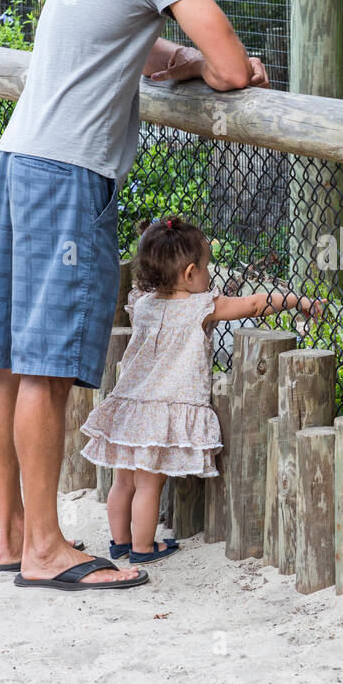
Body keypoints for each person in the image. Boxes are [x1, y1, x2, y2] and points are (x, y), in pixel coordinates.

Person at [0, 0, 269, 591]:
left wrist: (183, 61)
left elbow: (128, 45)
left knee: (1, 357)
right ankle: (45, 551)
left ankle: (13, 539)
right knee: (48, 366)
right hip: (69, 174)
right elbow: (233, 68)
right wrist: (220, 65)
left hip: (19, 159)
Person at [82, 217, 324, 565]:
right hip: (162, 407)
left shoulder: (144, 302)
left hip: (129, 405)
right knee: (150, 485)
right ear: (190, 272)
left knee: (124, 482)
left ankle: (120, 542)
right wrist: (297, 301)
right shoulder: (201, 306)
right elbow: (254, 304)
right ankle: (143, 548)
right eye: (207, 268)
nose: (210, 276)